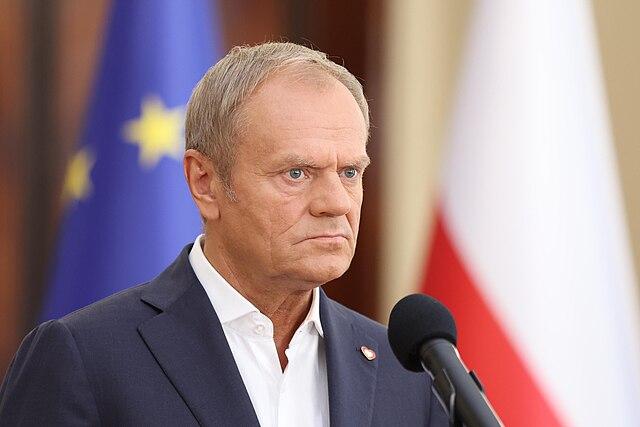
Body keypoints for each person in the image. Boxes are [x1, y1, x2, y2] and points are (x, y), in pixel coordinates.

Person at [0, 42, 448, 426]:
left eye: (349, 172)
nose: (335, 202)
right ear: (205, 183)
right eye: (296, 173)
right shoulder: (86, 358)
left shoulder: (408, 371)